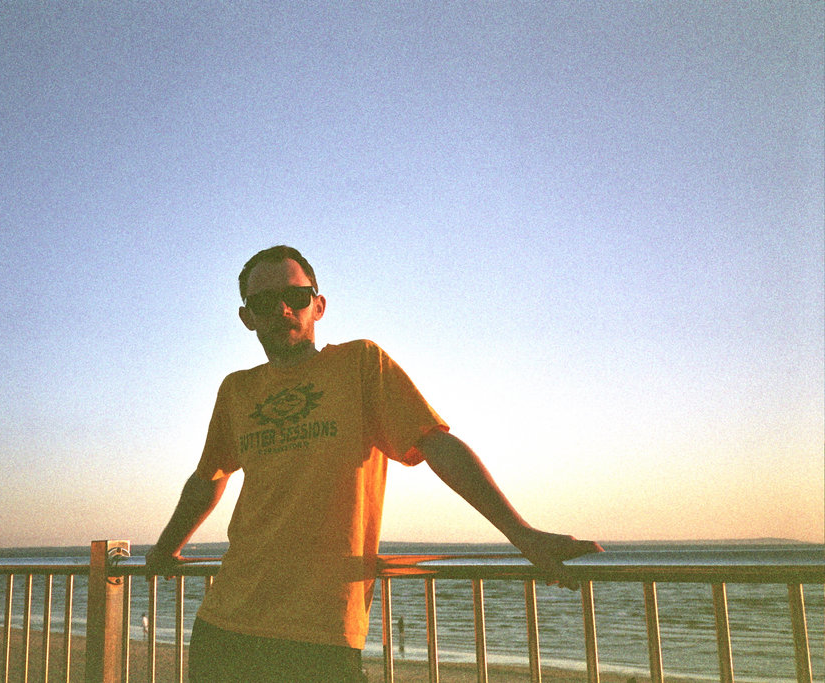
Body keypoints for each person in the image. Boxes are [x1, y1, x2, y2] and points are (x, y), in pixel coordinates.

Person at [145, 245, 602, 682]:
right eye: (264, 302)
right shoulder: (236, 390)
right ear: (247, 318)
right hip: (225, 623)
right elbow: (208, 476)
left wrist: (522, 534)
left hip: (322, 631)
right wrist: (165, 548)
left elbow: (436, 446)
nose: (282, 309)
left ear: (318, 305)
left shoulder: (360, 364)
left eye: (295, 297)